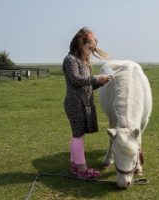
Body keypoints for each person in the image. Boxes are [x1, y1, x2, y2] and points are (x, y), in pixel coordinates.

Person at [62, 27, 110, 179]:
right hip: (75, 103)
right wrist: (96, 78)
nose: (90, 52)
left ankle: (75, 165)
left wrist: (101, 82)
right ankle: (82, 170)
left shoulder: (82, 61)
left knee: (78, 135)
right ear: (80, 43)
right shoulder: (70, 60)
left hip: (83, 102)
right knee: (78, 135)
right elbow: (75, 80)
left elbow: (86, 85)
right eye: (89, 48)